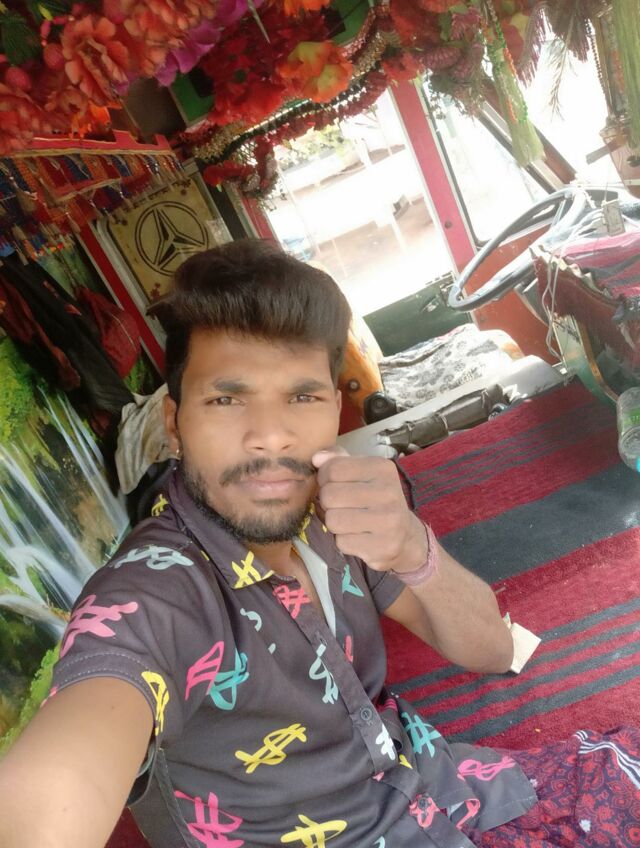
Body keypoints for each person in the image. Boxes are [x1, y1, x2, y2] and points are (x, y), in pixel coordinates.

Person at [0, 240, 637, 848]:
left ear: (335, 408)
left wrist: (413, 549)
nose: (270, 436)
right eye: (226, 399)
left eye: (301, 396)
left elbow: (496, 650)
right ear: (174, 424)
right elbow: (63, 780)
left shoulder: (334, 515)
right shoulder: (155, 594)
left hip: (444, 789)